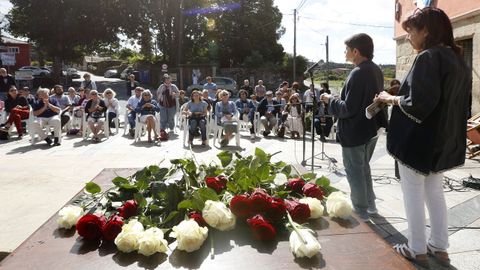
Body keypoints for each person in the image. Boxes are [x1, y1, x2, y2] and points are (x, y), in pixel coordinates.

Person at [374, 8, 471, 267]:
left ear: (425, 31)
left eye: (411, 31)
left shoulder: (428, 57)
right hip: (442, 142)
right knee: (435, 192)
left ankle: (416, 248)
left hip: (419, 141)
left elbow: (418, 103)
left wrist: (389, 98)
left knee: (413, 193)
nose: (408, 37)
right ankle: (439, 246)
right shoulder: (457, 58)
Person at [320, 33, 384, 221]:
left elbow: (348, 108)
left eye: (346, 49)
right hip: (370, 129)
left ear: (356, 51)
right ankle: (370, 206)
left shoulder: (358, 72)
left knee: (355, 171)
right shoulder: (375, 69)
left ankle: (361, 211)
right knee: (363, 168)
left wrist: (329, 99)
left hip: (356, 131)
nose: (344, 53)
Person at [157, 74, 179, 138]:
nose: (168, 80)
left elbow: (178, 93)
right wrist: (160, 95)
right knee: (163, 118)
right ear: (164, 80)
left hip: (171, 104)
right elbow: (158, 93)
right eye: (166, 79)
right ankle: (162, 129)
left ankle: (171, 128)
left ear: (170, 80)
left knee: (170, 118)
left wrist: (174, 94)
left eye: (169, 79)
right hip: (162, 104)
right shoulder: (161, 86)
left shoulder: (173, 86)